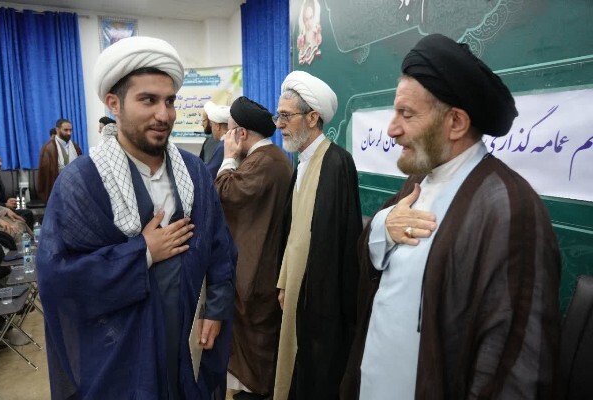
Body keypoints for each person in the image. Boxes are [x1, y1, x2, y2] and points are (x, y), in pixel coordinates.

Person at [340, 34, 561, 399]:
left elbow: (514, 363)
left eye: (406, 114)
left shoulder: (510, 209)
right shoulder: (418, 181)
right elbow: (369, 256)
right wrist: (383, 227)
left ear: (455, 123)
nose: (392, 129)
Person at [37, 36, 237, 399]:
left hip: (187, 345)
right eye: (148, 100)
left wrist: (216, 309)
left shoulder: (193, 173)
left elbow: (220, 249)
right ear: (113, 103)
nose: (164, 114)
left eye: (170, 101)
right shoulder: (81, 183)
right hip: (121, 355)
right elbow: (58, 279)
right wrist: (142, 252)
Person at [273, 71, 362, 400]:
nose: (279, 124)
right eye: (279, 116)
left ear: (312, 118)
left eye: (286, 116)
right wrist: (285, 282)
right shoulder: (301, 164)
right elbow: (294, 232)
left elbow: (339, 243)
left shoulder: (337, 163)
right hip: (298, 292)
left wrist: (319, 302)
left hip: (323, 303)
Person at [214, 97, 293, 400]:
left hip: (258, 275)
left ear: (242, 133)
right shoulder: (271, 158)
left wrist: (228, 157)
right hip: (263, 268)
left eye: (229, 131)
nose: (226, 137)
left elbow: (224, 193)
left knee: (256, 364)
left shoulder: (264, 162)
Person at [37, 118, 83, 202]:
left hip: (74, 190)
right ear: (57, 130)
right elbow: (45, 176)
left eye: (70, 130)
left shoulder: (76, 147)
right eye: (66, 130)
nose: (69, 133)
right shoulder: (48, 148)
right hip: (57, 190)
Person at [0, 152, 34, 228]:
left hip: (2, 208)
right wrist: (5, 205)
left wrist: (8, 201)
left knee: (27, 213)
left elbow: (0, 197)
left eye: (0, 161)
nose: (0, 164)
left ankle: (28, 234)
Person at [203, 101, 231, 179]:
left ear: (217, 126)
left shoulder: (224, 146)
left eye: (212, 125)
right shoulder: (231, 142)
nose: (211, 129)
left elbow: (210, 173)